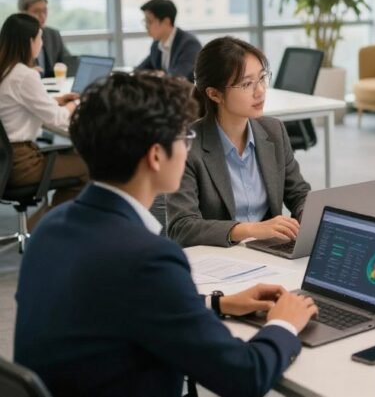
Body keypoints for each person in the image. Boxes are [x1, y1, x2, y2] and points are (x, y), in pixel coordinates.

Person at [14, 72, 317, 397]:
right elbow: (245, 376)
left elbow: (123, 303)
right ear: (156, 156)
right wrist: (284, 323)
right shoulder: (147, 257)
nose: (188, 149)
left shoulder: (51, 226)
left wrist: (220, 303)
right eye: (184, 137)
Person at [166, 37, 310, 247]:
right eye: (246, 84)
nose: (260, 91)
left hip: (269, 252)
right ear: (215, 94)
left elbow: (299, 193)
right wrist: (250, 230)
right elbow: (182, 227)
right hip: (219, 261)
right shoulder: (187, 146)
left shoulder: (274, 131)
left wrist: (308, 215)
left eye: (262, 78)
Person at [0, 13, 87, 228]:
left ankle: (45, 224)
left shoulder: (6, 70)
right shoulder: (24, 75)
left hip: (7, 160)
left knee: (78, 156)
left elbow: (18, 104)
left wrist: (56, 100)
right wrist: (75, 104)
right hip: (22, 164)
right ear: (29, 41)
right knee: (91, 166)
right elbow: (58, 120)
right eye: (40, 38)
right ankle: (45, 228)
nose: (42, 43)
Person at [136, 0, 203, 82]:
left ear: (166, 22)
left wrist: (157, 76)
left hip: (185, 94)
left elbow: (178, 79)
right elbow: (139, 70)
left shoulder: (189, 44)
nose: (146, 26)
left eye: (149, 21)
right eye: (145, 21)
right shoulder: (157, 45)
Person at [18, 0, 74, 78]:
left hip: (51, 87)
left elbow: (68, 63)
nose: (42, 16)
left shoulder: (53, 34)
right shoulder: (14, 37)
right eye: (36, 11)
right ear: (22, 14)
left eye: (45, 11)